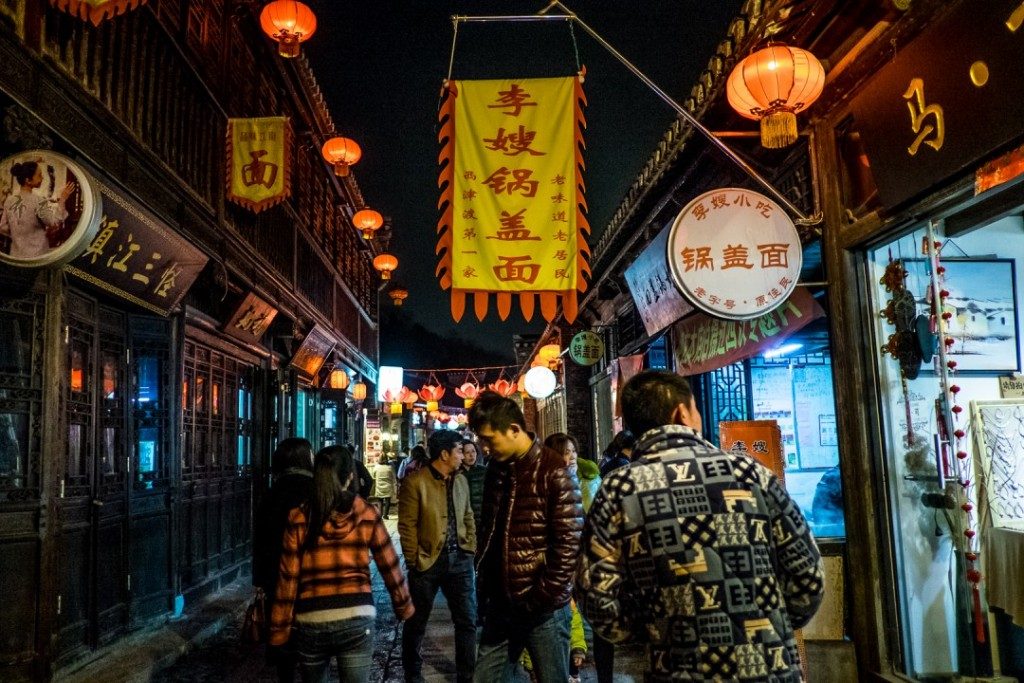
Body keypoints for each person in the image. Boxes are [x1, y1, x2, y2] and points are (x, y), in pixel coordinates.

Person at [576, 370, 825, 682]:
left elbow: (593, 591)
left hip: (675, 670)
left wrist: (650, 631)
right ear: (682, 413)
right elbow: (807, 573)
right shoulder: (750, 473)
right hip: (769, 669)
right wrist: (773, 623)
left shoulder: (619, 489)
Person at [269, 445, 414, 683]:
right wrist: (403, 605)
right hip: (357, 615)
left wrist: (279, 630)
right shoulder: (366, 513)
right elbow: (389, 564)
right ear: (350, 476)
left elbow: (288, 577)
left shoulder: (299, 516)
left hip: (311, 619)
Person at [468, 391, 583, 683]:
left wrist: (539, 598)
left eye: (489, 439)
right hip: (501, 602)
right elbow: (490, 528)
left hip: (541, 608)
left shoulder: (554, 471)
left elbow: (568, 546)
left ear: (514, 430)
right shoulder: (497, 468)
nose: (484, 447)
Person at [398, 430, 477, 683]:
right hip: (427, 562)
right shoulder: (416, 482)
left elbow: (468, 516)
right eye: (458, 451)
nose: (462, 456)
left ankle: (466, 675)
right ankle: (412, 672)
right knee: (416, 621)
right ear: (444, 454)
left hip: (460, 559)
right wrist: (413, 559)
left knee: (466, 620)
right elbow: (407, 526)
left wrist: (470, 546)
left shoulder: (461, 480)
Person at [253, 438, 313, 682]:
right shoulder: (315, 488)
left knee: (282, 628)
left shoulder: (272, 492)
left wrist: (261, 578)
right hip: (311, 571)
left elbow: (261, 537)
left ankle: (285, 670)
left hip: (277, 573)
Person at [591, 430, 635, 683]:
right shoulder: (624, 471)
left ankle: (604, 677)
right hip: (623, 552)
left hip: (609, 553)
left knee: (603, 620)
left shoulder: (608, 467)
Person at [0, 160, 75, 259]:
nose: (43, 178)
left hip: (16, 254)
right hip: (36, 255)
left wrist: (18, 235)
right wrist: (63, 199)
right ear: (28, 180)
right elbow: (53, 222)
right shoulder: (38, 200)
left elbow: (3, 227)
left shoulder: (9, 200)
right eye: (39, 175)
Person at [544, 433, 600, 512]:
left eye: (574, 451)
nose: (573, 456)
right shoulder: (545, 483)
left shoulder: (590, 479)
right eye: (567, 453)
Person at [459, 438, 486, 545]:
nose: (471, 455)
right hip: (464, 521)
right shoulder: (457, 474)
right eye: (467, 452)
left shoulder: (484, 471)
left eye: (473, 451)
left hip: (481, 520)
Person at [371, 454, 398, 519]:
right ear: (387, 459)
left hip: (379, 486)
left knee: (380, 501)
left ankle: (380, 515)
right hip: (388, 487)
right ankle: (385, 515)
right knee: (387, 501)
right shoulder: (390, 468)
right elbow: (394, 477)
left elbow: (373, 476)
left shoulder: (376, 467)